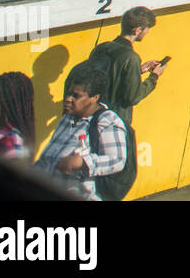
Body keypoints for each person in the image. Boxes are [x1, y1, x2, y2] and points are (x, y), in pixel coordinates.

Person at [34, 62, 128, 201]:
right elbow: (48, 158)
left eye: (76, 96)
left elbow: (117, 160)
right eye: (68, 93)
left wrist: (82, 162)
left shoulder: (107, 121)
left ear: (95, 97)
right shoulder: (68, 118)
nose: (68, 99)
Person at [86, 5, 167, 126]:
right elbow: (132, 97)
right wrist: (154, 77)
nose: (148, 32)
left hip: (90, 116)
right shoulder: (131, 57)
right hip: (113, 122)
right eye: (147, 28)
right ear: (137, 30)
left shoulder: (101, 48)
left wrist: (138, 70)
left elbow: (106, 78)